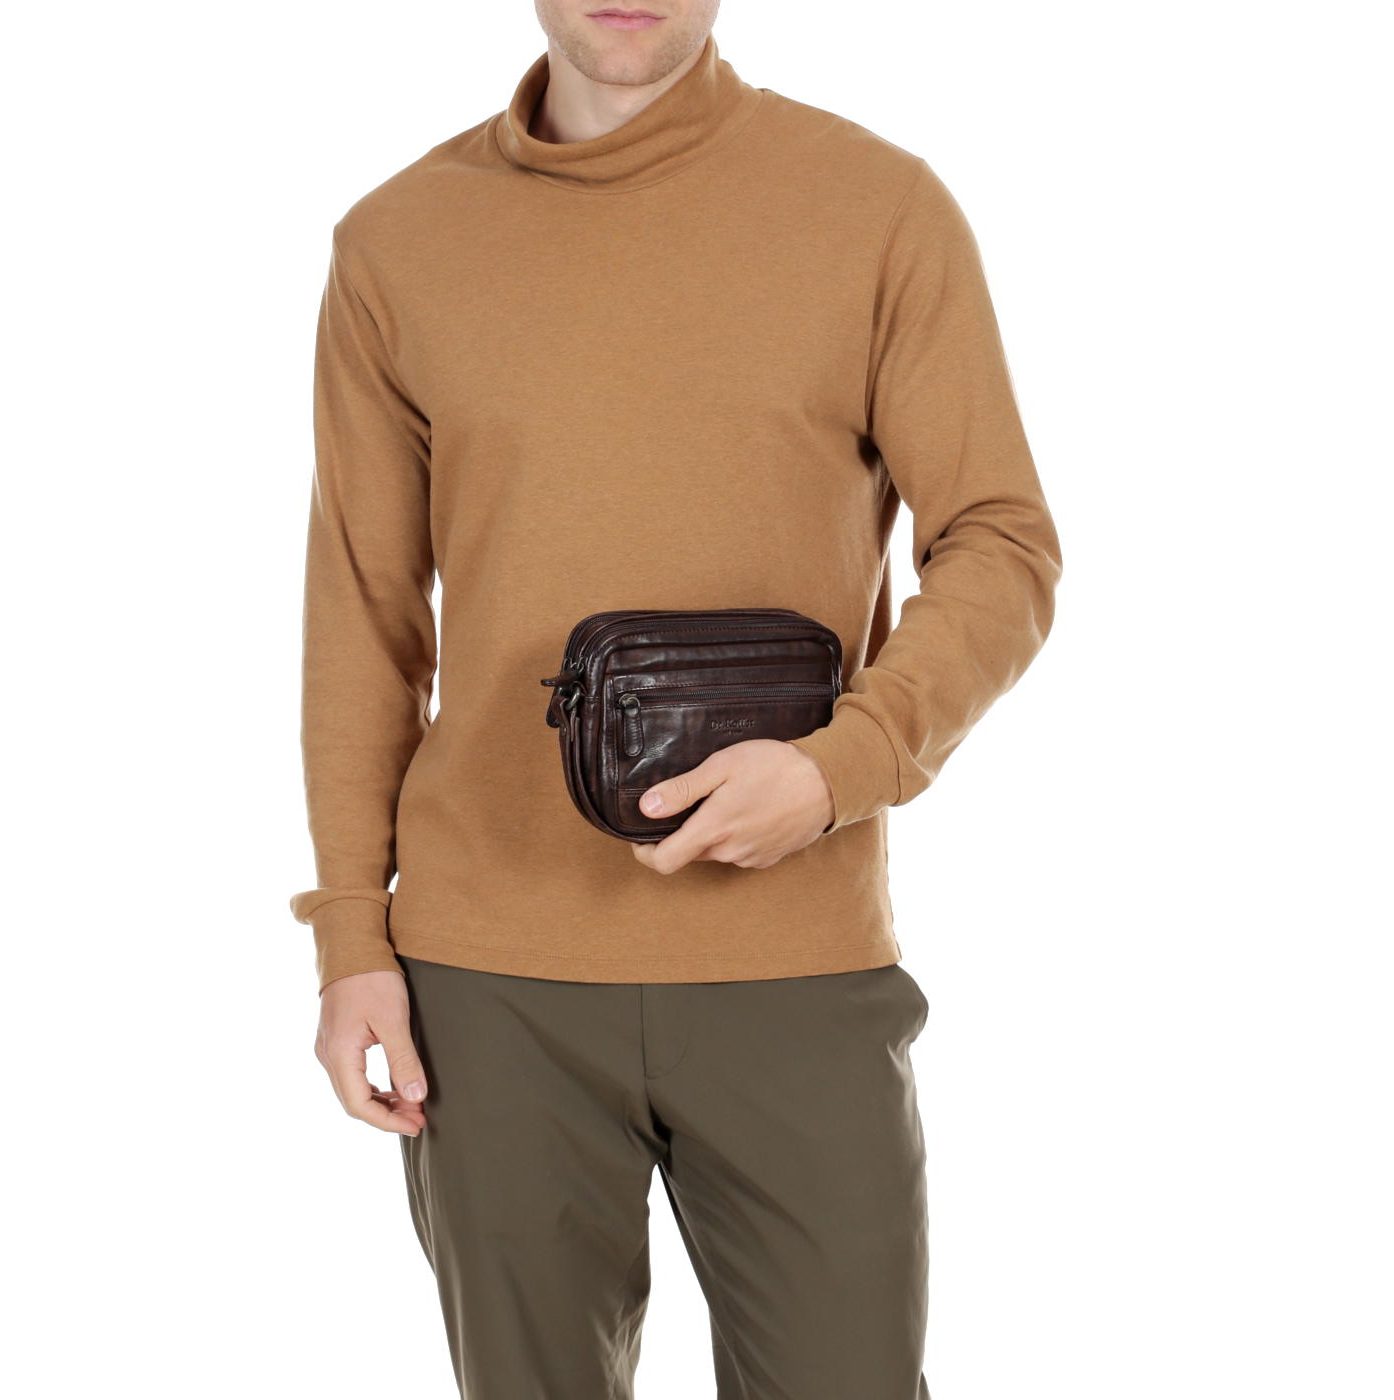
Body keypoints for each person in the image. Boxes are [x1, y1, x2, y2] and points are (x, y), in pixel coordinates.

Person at [290, 2, 1061, 1394]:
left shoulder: (878, 210)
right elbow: (363, 614)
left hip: (796, 957)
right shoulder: (397, 243)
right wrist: (352, 934)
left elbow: (1001, 541)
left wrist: (839, 767)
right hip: (490, 982)